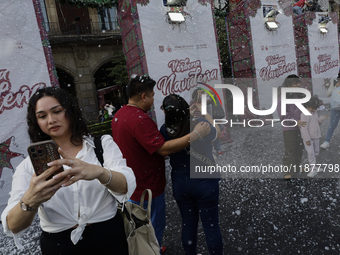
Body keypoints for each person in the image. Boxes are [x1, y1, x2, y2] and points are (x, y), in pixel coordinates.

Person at [1, 87, 136, 255]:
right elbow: (13, 225)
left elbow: (126, 187)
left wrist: (99, 172)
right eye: (42, 116)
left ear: (70, 111)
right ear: (36, 122)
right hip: (59, 245)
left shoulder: (101, 145)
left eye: (57, 111)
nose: (51, 120)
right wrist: (30, 200)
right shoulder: (29, 166)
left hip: (109, 237)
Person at [111, 75, 210, 253]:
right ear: (143, 97)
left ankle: (149, 247)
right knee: (152, 226)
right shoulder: (140, 120)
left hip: (133, 182)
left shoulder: (120, 115)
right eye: (151, 95)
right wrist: (195, 135)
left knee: (139, 226)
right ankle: (152, 249)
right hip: (147, 184)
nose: (152, 100)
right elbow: (163, 149)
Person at [160, 94, 223, 255]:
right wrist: (205, 113)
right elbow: (218, 132)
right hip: (205, 181)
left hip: (181, 183)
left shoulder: (165, 130)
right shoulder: (200, 124)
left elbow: (178, 126)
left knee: (188, 224)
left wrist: (182, 113)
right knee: (211, 226)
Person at [277, 74, 305, 179]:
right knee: (291, 148)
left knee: (300, 147)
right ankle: (288, 171)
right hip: (289, 128)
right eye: (295, 83)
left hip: (300, 126)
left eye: (298, 82)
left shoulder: (298, 94)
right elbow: (282, 114)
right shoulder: (283, 97)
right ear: (288, 84)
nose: (298, 84)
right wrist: (295, 121)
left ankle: (297, 167)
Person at [300, 96, 327, 177]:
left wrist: (322, 119)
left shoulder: (314, 112)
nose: (314, 110)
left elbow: (316, 122)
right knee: (311, 153)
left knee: (315, 152)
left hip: (315, 136)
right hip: (308, 138)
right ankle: (313, 169)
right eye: (312, 108)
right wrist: (307, 139)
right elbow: (303, 128)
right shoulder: (304, 114)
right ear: (307, 106)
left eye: (315, 108)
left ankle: (314, 166)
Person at [320, 76, 340, 149]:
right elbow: (328, 94)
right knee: (332, 125)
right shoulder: (335, 81)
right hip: (335, 107)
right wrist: (336, 86)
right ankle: (326, 141)